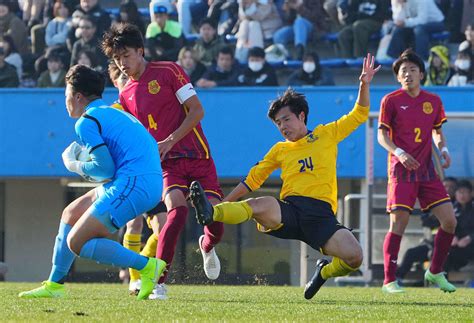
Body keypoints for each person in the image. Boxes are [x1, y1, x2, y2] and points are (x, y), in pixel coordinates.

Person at [190, 53, 380, 300]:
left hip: (321, 216)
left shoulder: (326, 134)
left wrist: (364, 84)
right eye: (278, 123)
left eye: (286, 119)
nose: (282, 126)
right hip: (290, 211)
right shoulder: (280, 149)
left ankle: (323, 272)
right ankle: (211, 213)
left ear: (301, 116)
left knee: (355, 257)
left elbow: (360, 114)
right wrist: (223, 203)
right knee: (262, 203)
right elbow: (252, 180)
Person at [18, 64, 166, 300]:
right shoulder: (112, 112)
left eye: (66, 94)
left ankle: (147, 266)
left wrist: (73, 164)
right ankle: (55, 285)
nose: (65, 100)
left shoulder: (87, 121)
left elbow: (104, 169)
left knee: (76, 242)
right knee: (71, 213)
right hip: (143, 181)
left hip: (134, 183)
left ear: (78, 96)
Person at [102, 23, 225, 300]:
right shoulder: (125, 95)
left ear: (140, 51)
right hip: (167, 165)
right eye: (116, 58)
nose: (122, 63)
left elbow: (197, 111)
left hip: (198, 155)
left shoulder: (169, 71)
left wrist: (169, 140)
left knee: (215, 221)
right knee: (176, 212)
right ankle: (158, 281)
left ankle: (206, 245)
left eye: (126, 55)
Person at [378, 49, 457, 294]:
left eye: (413, 69)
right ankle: (389, 280)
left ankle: (434, 272)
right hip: (401, 172)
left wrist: (443, 149)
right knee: (398, 222)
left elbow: (437, 132)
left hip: (427, 172)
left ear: (421, 73)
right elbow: (382, 135)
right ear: (398, 77)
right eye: (403, 71)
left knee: (450, 222)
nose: (408, 74)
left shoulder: (433, 101)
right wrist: (399, 152)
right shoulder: (390, 100)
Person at [107, 61, 168, 297]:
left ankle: (142, 263)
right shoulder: (114, 111)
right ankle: (134, 279)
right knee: (134, 224)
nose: (128, 80)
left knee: (163, 227)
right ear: (115, 82)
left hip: (153, 174)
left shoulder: (144, 104)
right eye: (122, 78)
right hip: (130, 176)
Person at [396, 177, 457, 282]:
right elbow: (426, 220)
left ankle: (440, 281)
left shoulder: (458, 206)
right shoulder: (435, 202)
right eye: (445, 186)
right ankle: (397, 278)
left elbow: (455, 224)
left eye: (452, 187)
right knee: (411, 253)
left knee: (440, 254)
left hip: (451, 245)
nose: (448, 189)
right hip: (431, 243)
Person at [445, 180, 474, 271]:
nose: (462, 195)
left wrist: (470, 238)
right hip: (457, 244)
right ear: (456, 194)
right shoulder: (451, 209)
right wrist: (452, 236)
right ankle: (441, 281)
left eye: (465, 192)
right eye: (459, 192)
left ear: (471, 193)